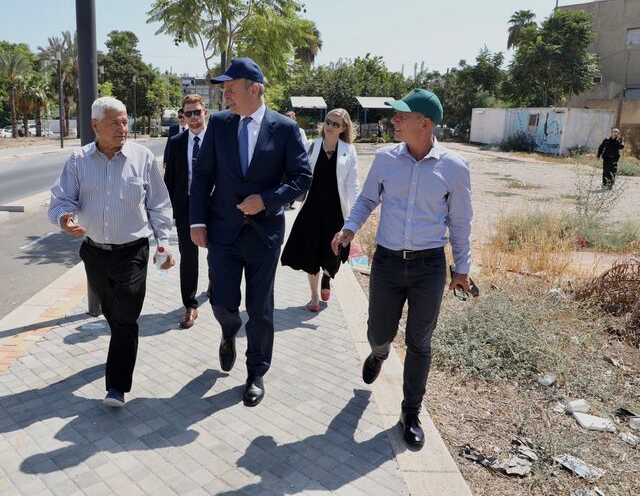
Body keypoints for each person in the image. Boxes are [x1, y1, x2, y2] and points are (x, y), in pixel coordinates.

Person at [331, 88, 473, 449]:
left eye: (401, 116)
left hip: (428, 266)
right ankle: (379, 353)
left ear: (424, 123)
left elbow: (460, 222)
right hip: (388, 263)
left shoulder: (454, 167)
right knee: (379, 331)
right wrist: (350, 228)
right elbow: (366, 199)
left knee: (419, 343)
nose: (392, 120)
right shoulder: (385, 158)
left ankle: (410, 412)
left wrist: (462, 270)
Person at [190, 57, 312, 407]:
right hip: (223, 232)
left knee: (260, 308)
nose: (225, 94)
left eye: (231, 88)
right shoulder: (220, 124)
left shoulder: (285, 129)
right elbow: (202, 177)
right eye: (224, 89)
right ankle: (229, 330)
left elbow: (302, 179)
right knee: (222, 300)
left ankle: (256, 371)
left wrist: (268, 200)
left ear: (254, 89)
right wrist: (197, 222)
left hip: (264, 235)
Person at [48, 96, 175, 408]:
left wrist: (164, 244)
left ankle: (116, 387)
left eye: (125, 120)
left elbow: (159, 205)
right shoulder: (78, 161)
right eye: (115, 122)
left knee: (127, 317)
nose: (123, 127)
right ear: (95, 125)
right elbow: (61, 200)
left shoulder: (143, 157)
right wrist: (65, 219)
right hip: (94, 254)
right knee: (112, 314)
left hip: (133, 252)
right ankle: (119, 348)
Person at [281, 108, 360, 312]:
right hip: (312, 209)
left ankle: (327, 276)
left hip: (336, 211)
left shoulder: (348, 150)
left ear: (343, 128)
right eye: (328, 122)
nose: (330, 126)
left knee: (333, 255)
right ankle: (314, 297)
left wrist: (355, 217)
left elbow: (353, 185)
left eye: (336, 124)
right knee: (311, 254)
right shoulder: (312, 147)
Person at [164, 94, 210, 329]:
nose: (193, 118)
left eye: (197, 112)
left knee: (217, 252)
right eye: (188, 114)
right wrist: (166, 213)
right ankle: (190, 305)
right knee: (188, 258)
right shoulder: (175, 142)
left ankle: (214, 282)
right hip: (186, 209)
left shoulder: (218, 140)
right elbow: (169, 179)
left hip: (214, 207)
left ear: (205, 113)